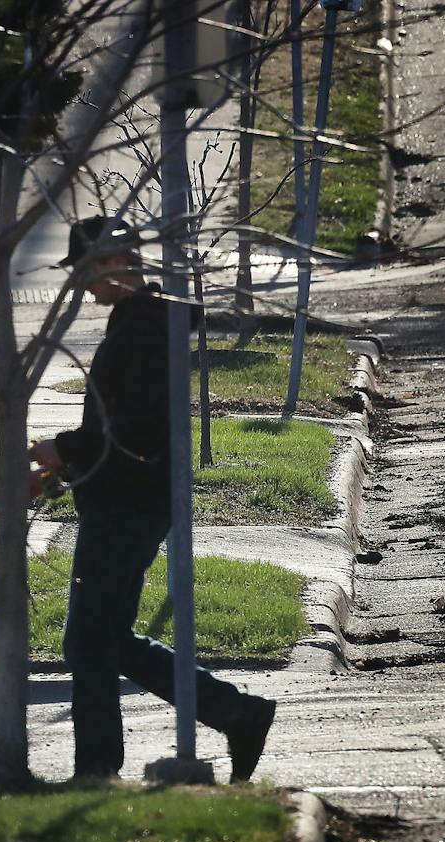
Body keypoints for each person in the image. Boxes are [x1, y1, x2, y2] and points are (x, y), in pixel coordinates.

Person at [29, 216, 276, 782]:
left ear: (117, 262)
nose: (83, 284)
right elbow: (123, 425)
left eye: (88, 270)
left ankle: (97, 769)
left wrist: (63, 449)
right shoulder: (138, 321)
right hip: (125, 496)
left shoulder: (143, 326)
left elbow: (132, 428)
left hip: (129, 502)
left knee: (89, 642)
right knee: (105, 639)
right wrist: (66, 468)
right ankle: (234, 712)